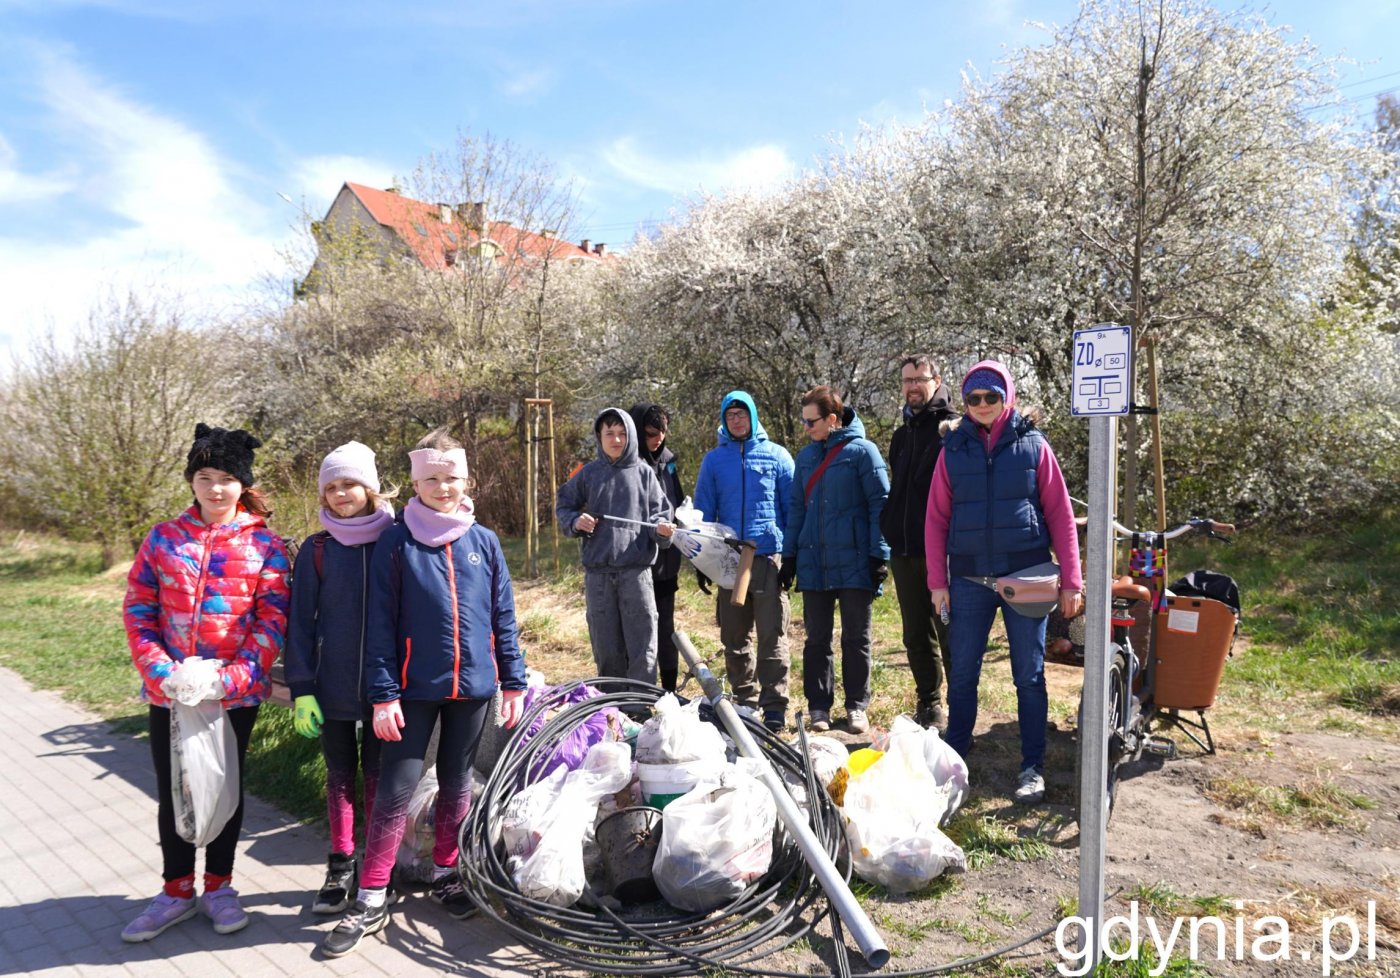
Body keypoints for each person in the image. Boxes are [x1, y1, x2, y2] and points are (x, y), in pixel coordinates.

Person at [322, 431, 526, 957]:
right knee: (395, 789)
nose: (442, 487)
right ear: (414, 482)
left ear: (466, 480)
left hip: (475, 687)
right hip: (410, 692)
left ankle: (446, 873)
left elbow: (503, 616)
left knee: (458, 782)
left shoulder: (484, 542)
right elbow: (381, 625)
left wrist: (513, 680)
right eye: (431, 479)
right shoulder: (397, 541)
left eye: (451, 478)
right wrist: (385, 694)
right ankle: (370, 895)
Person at [121, 424, 290, 942]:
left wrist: (235, 677)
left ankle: (219, 886)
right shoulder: (163, 538)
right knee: (176, 791)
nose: (216, 488)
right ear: (192, 481)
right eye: (205, 477)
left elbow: (272, 618)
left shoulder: (265, 545)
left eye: (227, 479)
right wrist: (161, 671)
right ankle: (175, 891)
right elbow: (139, 607)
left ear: (243, 484)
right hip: (170, 693)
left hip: (232, 694)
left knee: (225, 791)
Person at [924, 361, 1084, 806]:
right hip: (969, 578)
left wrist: (1072, 580)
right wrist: (939, 582)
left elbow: (1060, 516)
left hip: (1027, 574)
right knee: (963, 672)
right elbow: (935, 520)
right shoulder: (952, 449)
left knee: (1029, 676)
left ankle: (1032, 766)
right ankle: (956, 755)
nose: (982, 406)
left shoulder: (1034, 446)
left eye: (991, 397)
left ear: (1007, 397)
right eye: (973, 398)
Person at [284, 441, 399, 914]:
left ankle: (377, 867)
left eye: (349, 483)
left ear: (370, 487)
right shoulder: (316, 550)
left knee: (378, 777)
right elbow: (300, 624)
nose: (340, 493)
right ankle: (340, 863)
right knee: (338, 777)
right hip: (329, 686)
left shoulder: (396, 541)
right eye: (331, 487)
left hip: (385, 688)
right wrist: (301, 689)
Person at [782, 387, 890, 735]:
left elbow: (880, 504)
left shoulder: (864, 453)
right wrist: (790, 555)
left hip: (857, 560)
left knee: (856, 638)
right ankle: (819, 707)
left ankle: (857, 706)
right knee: (816, 639)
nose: (805, 427)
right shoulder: (805, 458)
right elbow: (797, 509)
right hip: (815, 562)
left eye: (810, 421)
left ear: (832, 419)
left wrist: (879, 553)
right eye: (803, 420)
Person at [692, 391, 795, 732]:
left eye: (742, 413)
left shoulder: (776, 456)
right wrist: (702, 558)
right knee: (734, 636)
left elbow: (793, 509)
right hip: (729, 559)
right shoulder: (713, 461)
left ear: (753, 416)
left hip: (767, 557)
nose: (736, 420)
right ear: (724, 420)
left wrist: (791, 555)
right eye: (730, 415)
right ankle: (745, 701)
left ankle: (775, 706)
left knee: (772, 635)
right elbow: (703, 511)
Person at [556, 407, 675, 684]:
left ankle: (640, 707)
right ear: (599, 436)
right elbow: (564, 506)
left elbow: (661, 516)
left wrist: (663, 531)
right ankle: (611, 709)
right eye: (610, 433)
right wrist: (576, 522)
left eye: (622, 434)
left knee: (642, 644)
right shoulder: (588, 474)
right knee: (606, 645)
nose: (616, 440)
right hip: (598, 575)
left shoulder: (644, 474)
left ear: (631, 436)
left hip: (637, 573)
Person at [880, 355, 958, 731]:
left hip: (941, 553)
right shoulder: (901, 435)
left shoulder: (954, 430)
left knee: (950, 632)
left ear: (937, 380)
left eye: (919, 379)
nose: (912, 386)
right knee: (915, 634)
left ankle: (962, 710)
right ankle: (930, 705)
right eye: (906, 380)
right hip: (905, 549)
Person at [629, 403, 687, 692]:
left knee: (666, 627)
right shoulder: (627, 465)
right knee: (639, 630)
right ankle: (636, 691)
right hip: (636, 562)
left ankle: (669, 691)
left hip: (666, 562)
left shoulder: (668, 461)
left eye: (663, 432)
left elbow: (676, 500)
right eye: (652, 433)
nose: (658, 439)